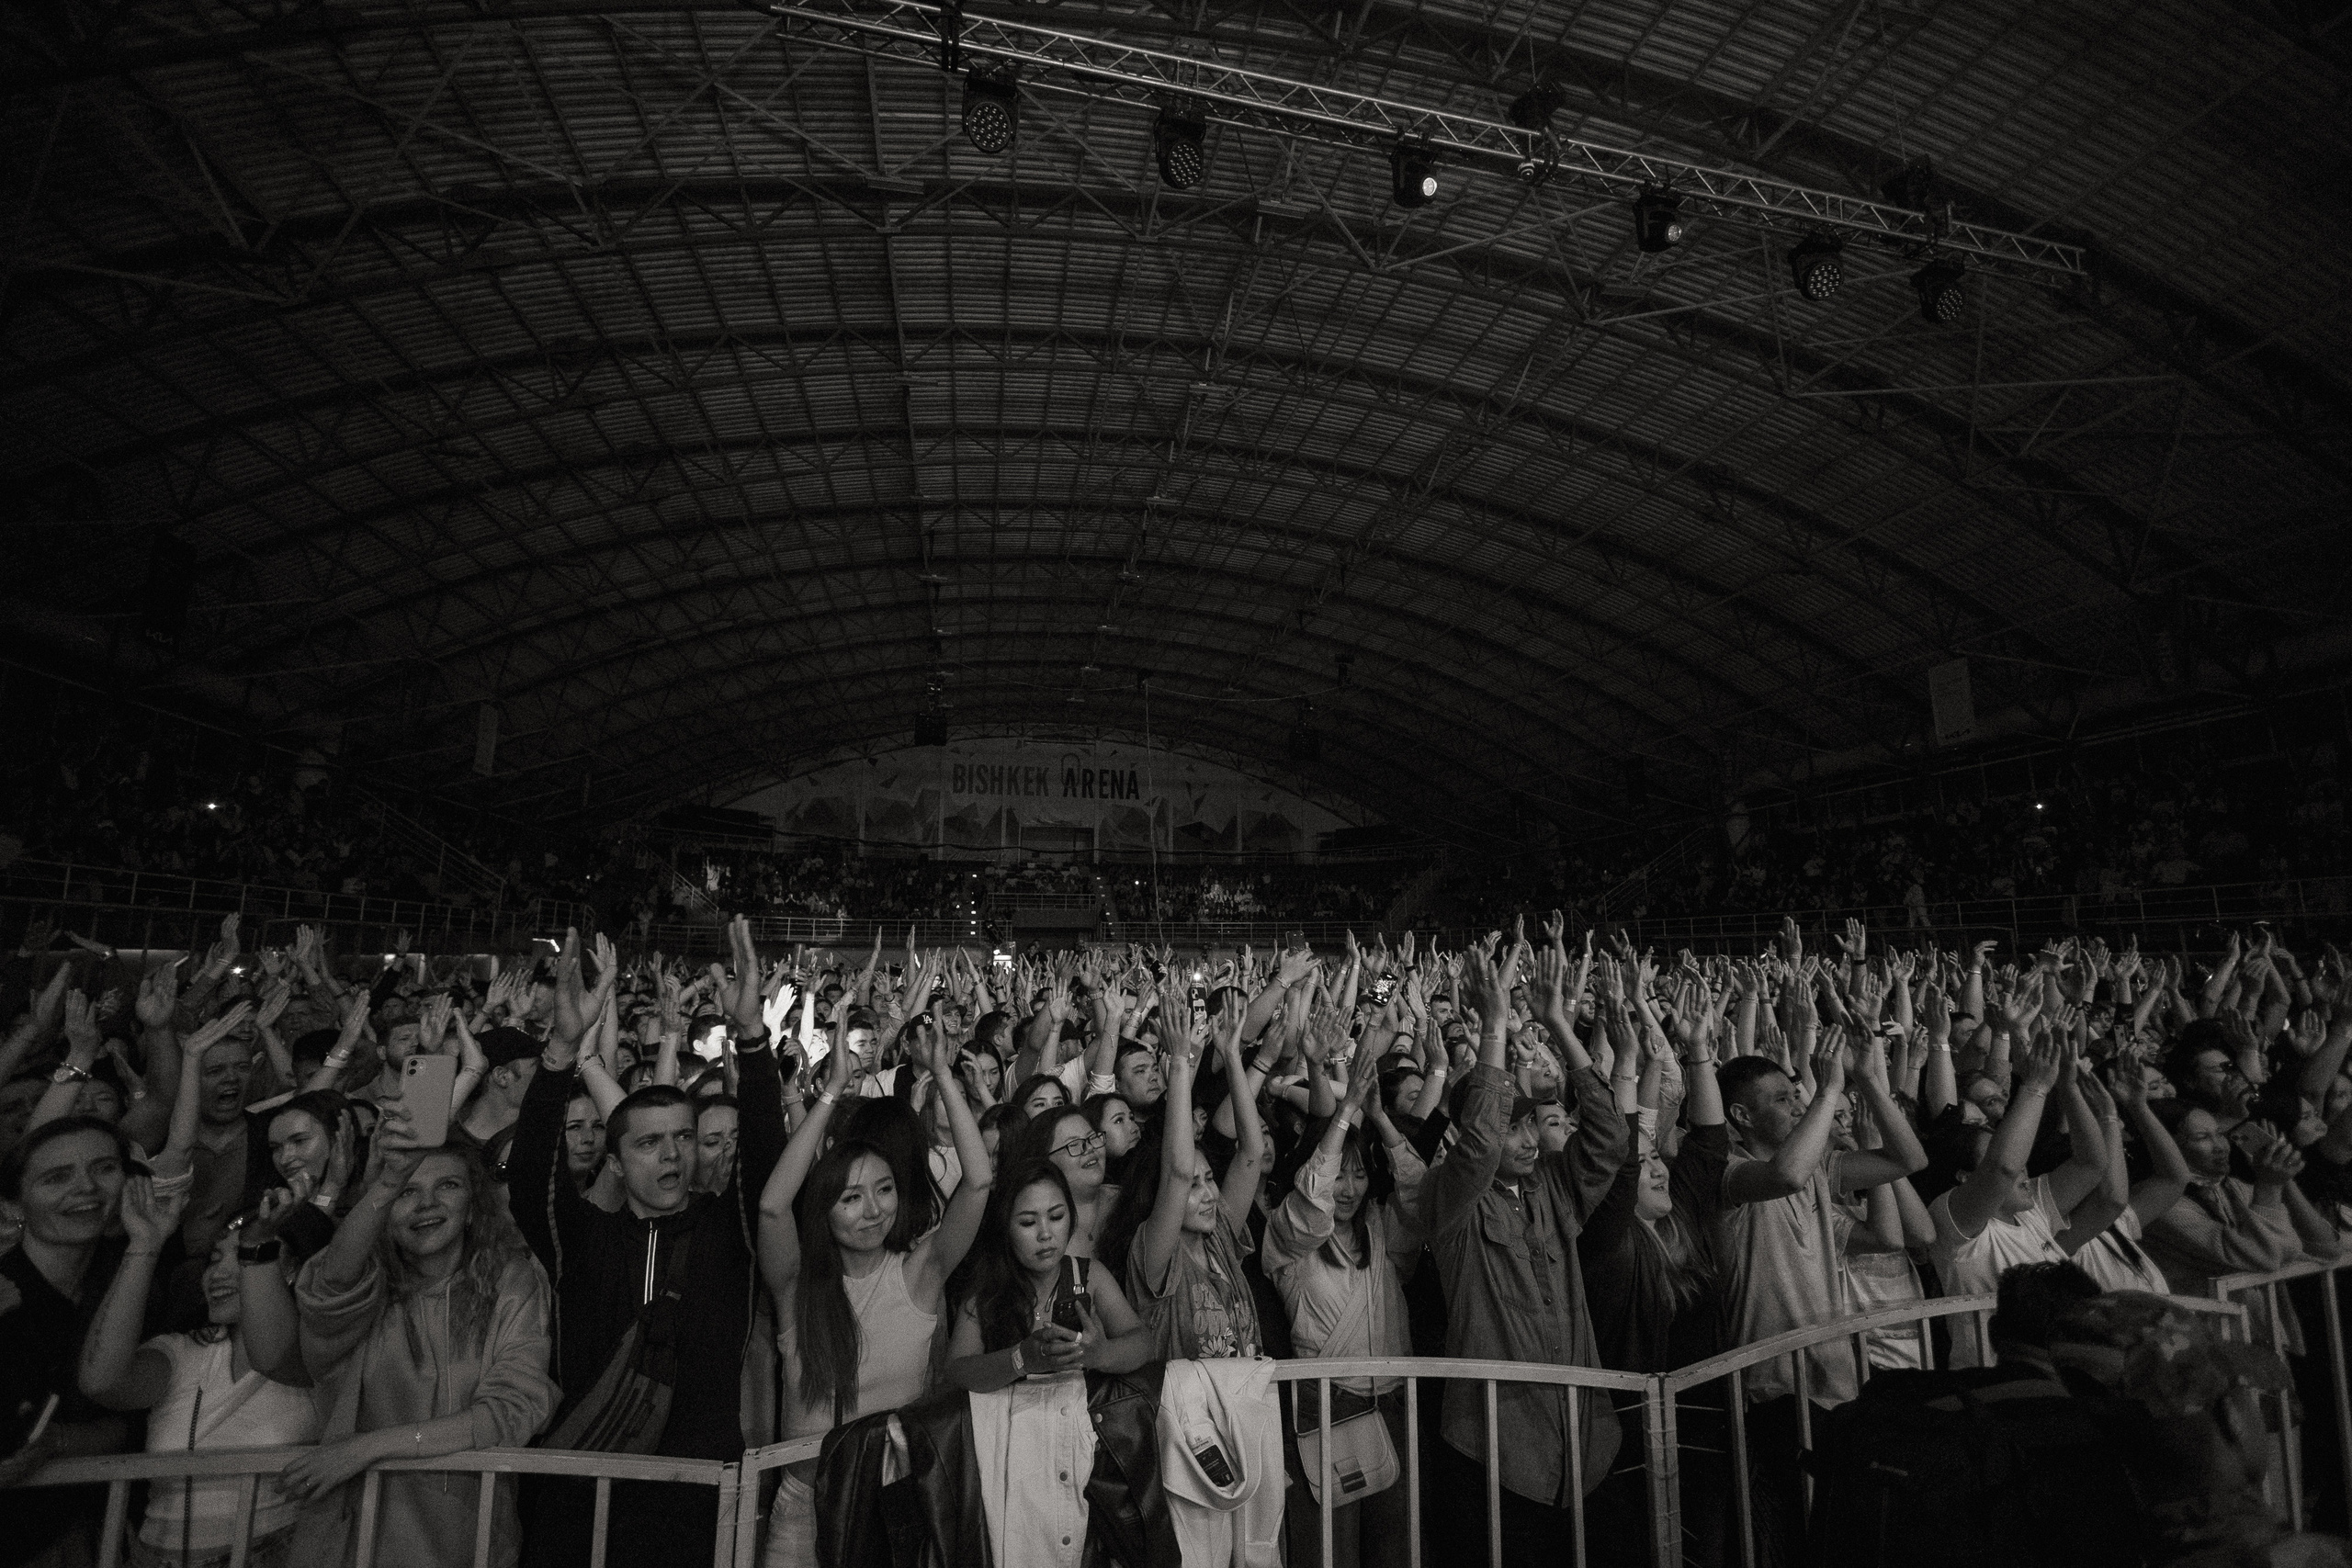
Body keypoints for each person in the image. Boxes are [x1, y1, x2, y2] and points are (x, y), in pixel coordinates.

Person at [503, 923, 788, 1567]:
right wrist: (560, 1055)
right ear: (616, 1156)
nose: (673, 1154)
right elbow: (530, 1182)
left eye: (684, 1138)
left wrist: (753, 1040)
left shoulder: (729, 1231)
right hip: (584, 1500)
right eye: (648, 1141)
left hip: (697, 1502)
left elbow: (764, 1153)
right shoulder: (585, 1239)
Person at [758, 998, 993, 1567]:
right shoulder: (801, 1288)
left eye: (884, 1190)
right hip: (804, 1506)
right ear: (824, 1207)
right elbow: (771, 1206)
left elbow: (979, 1182)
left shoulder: (918, 1273)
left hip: (894, 1500)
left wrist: (943, 1075)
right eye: (850, 1197)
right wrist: (831, 1092)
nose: (872, 1211)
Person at [1420, 936, 1627, 1565]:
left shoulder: (1552, 1190)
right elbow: (1480, 1143)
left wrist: (1561, 1025)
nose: (1529, 1136)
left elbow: (1610, 1137)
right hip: (1497, 1443)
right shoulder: (1451, 1200)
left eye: (1531, 1121)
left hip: (1583, 1436)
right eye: (1515, 1124)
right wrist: (1495, 1027)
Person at [287, 1111, 557, 1568]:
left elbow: (513, 1410)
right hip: (353, 1542)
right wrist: (386, 1182)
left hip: (469, 1542)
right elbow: (329, 1287)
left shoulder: (513, 1281)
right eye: (408, 1191)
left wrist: (365, 1447)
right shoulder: (365, 1286)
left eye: (447, 1186)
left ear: (473, 1205)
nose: (427, 1204)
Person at [77, 1178, 320, 1568]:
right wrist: (144, 1246)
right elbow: (101, 1382)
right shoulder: (183, 1352)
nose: (218, 1274)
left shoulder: (319, 1357)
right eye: (213, 1259)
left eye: (241, 1256)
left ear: (291, 1269)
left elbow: (275, 1355)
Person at [943, 1159, 1155, 1568]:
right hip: (1011, 1465)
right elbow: (955, 1371)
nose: (1045, 1234)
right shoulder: (986, 1291)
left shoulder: (1089, 1277)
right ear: (1004, 1228)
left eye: (1056, 1217)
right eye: (1027, 1222)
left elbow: (1142, 1341)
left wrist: (1098, 1354)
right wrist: (1020, 1358)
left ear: (1071, 1219)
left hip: (1087, 1461)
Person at [1261, 1038, 1422, 1568]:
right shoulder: (1289, 1236)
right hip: (1329, 1411)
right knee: (1331, 1552)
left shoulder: (1381, 1227)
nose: (1348, 1187)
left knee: (1393, 1549)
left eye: (1359, 1173)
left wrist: (1380, 1119)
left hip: (1394, 1402)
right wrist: (1346, 1109)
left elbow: (1420, 1194)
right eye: (1340, 1172)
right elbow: (1313, 1202)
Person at [0, 1118, 141, 1568]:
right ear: (11, 1206)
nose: (86, 1188)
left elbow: (130, 1423)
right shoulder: (6, 1291)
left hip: (78, 1533)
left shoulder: (132, 1277)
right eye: (57, 1177)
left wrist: (59, 1441)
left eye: (104, 1168)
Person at [1122, 996, 1266, 1361]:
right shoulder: (1155, 1254)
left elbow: (1252, 1152)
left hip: (1244, 1409)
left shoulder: (1220, 1235)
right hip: (1186, 1417)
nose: (1208, 1194)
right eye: (1193, 1186)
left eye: (1210, 1179)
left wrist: (1233, 1054)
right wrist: (1181, 1064)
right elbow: (1177, 1172)